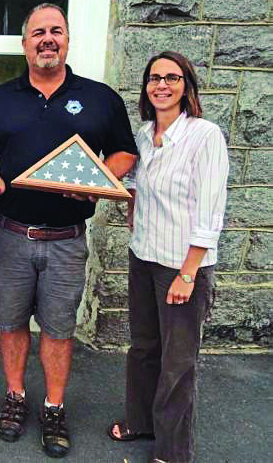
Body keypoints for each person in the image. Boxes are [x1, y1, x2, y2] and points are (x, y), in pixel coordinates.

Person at [0, 3, 138, 458]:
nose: (47, 39)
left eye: (56, 31)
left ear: (67, 39)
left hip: (66, 241)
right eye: (38, 32)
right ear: (24, 44)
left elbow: (125, 153)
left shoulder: (100, 98)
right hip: (11, 235)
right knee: (10, 322)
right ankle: (16, 396)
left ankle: (54, 405)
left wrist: (100, 181)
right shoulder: (0, 99)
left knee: (60, 329)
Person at [107, 51, 228, 463]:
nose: (162, 84)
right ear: (146, 86)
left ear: (186, 86)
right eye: (155, 77)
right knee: (143, 347)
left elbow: (211, 210)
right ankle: (141, 421)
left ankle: (172, 451)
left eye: (172, 78)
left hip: (182, 263)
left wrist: (189, 272)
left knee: (178, 363)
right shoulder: (143, 135)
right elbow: (136, 187)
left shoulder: (204, 135)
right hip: (144, 255)